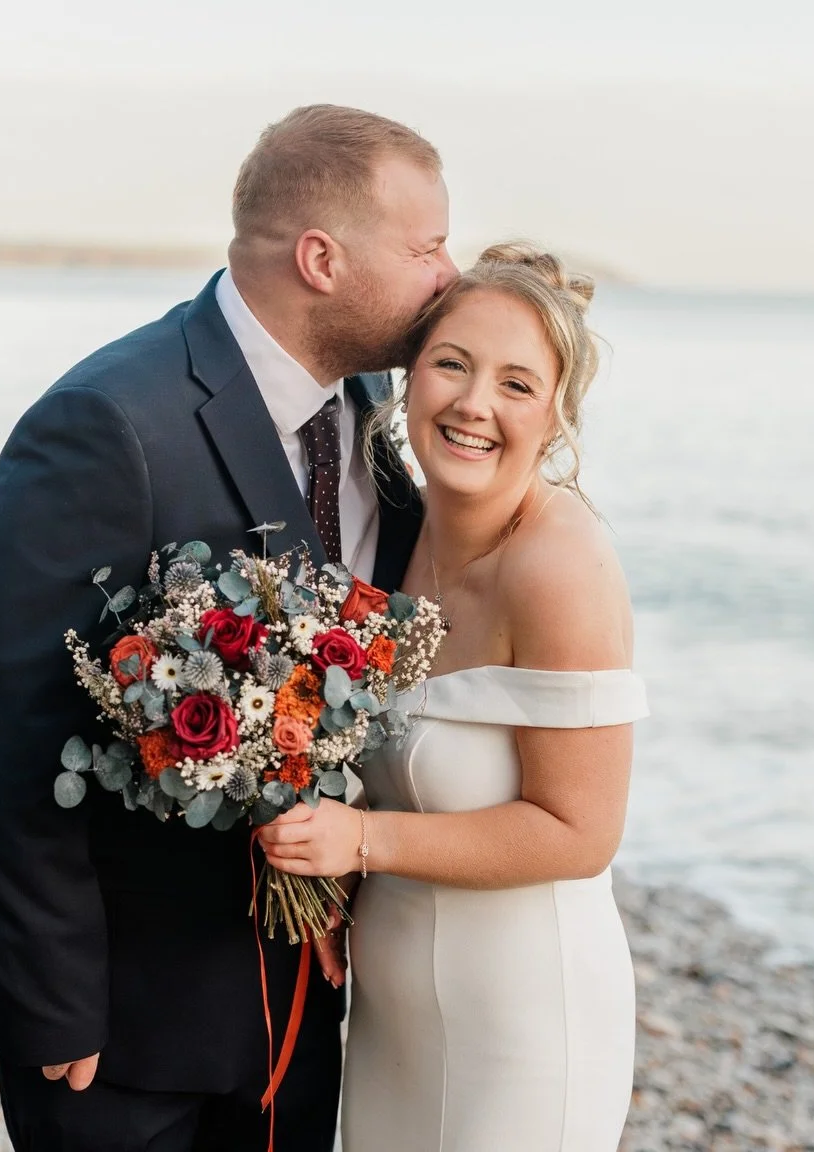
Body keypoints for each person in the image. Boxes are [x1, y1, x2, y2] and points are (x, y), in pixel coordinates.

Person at [0, 104, 458, 1151]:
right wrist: (51, 997)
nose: (449, 275)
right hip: (125, 1022)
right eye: (426, 248)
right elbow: (11, 730)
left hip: (300, 1001)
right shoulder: (108, 421)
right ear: (322, 260)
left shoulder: (372, 408)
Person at [258, 243, 649, 1151]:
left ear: (558, 413)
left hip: (522, 1028)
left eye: (517, 384)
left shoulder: (560, 566)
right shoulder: (396, 532)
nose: (475, 404)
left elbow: (581, 831)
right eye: (452, 364)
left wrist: (362, 842)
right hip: (392, 1024)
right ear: (407, 379)